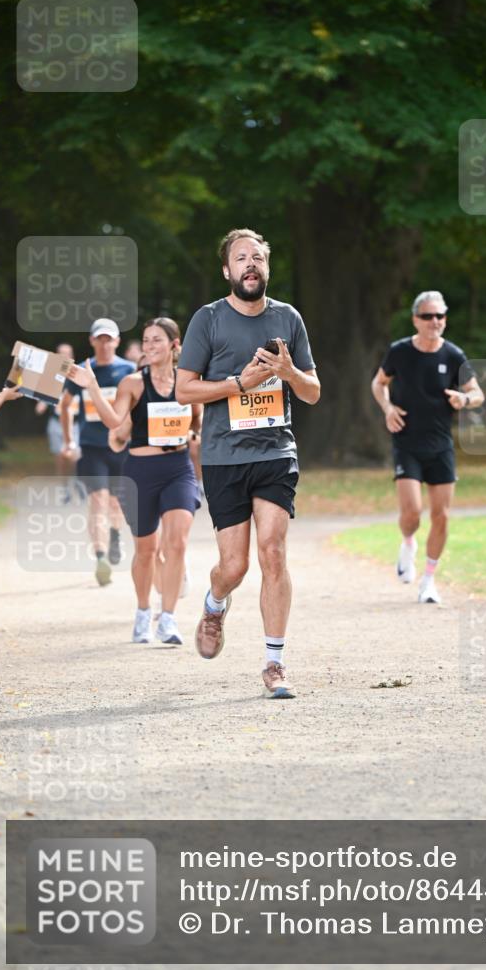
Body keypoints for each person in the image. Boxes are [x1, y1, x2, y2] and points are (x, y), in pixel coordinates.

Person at [176, 227, 320, 699]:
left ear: (267, 267)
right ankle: (216, 602)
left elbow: (313, 391)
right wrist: (238, 383)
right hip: (224, 457)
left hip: (276, 451)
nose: (250, 264)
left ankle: (274, 663)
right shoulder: (208, 320)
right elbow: (184, 390)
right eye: (241, 258)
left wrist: (287, 371)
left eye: (257, 257)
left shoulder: (289, 318)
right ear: (227, 270)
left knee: (273, 551)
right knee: (234, 566)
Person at [68, 318, 202, 645]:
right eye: (146, 340)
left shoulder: (188, 383)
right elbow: (114, 421)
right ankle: (143, 611)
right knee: (146, 551)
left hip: (178, 468)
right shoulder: (133, 383)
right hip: (140, 472)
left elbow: (198, 420)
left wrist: (193, 434)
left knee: (178, 543)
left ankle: (168, 619)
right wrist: (91, 386)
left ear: (174, 345)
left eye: (157, 340)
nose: (150, 346)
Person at [371, 290, 484, 605]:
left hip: (441, 445)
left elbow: (478, 394)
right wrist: (388, 409)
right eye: (428, 316)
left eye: (440, 316)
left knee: (442, 516)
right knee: (412, 513)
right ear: (415, 320)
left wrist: (464, 399)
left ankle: (429, 580)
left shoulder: (454, 356)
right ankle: (408, 542)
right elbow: (378, 383)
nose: (435, 322)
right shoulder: (400, 352)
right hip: (407, 442)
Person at [59, 319, 135, 586]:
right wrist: (69, 441)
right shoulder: (81, 371)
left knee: (116, 503)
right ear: (92, 341)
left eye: (109, 339)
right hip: (91, 447)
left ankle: (114, 535)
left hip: (121, 447)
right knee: (98, 501)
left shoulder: (129, 370)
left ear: (117, 341)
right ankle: (101, 557)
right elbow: (65, 406)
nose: (104, 343)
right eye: (99, 339)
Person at [35, 343, 80, 495]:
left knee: (73, 456)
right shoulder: (51, 376)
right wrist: (41, 404)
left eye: (67, 354)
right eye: (60, 354)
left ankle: (75, 480)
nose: (64, 357)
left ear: (72, 356)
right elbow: (43, 397)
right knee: (60, 458)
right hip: (56, 422)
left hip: (75, 424)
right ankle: (64, 487)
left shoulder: (79, 376)